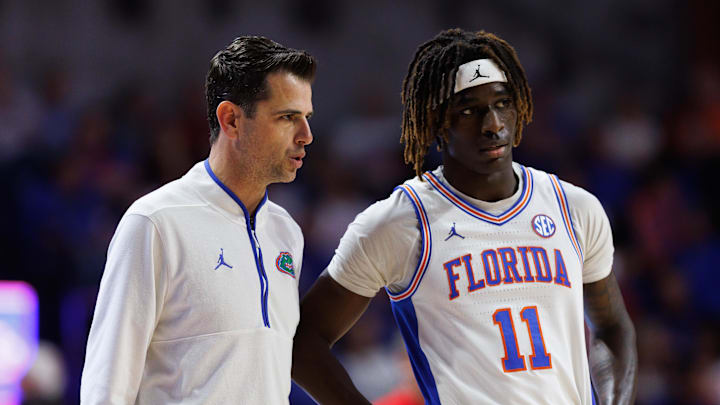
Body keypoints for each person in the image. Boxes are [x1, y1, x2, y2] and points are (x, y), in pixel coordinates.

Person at [292, 28, 637, 404]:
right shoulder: (401, 222)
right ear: (437, 122)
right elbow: (304, 342)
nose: (493, 124)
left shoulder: (575, 207)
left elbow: (612, 325)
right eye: (469, 110)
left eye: (502, 103)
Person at [81, 36, 316, 404]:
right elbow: (105, 388)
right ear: (232, 120)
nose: (306, 136)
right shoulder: (155, 222)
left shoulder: (287, 232)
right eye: (287, 117)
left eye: (306, 118)